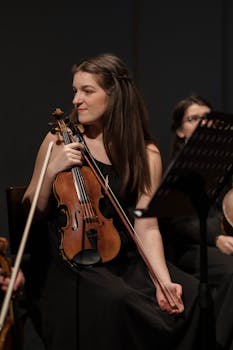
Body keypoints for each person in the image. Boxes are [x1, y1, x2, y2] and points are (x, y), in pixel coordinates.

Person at [22, 54, 203, 350]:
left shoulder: (146, 153)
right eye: (75, 91)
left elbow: (147, 225)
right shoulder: (59, 139)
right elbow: (32, 208)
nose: (77, 99)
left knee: (193, 294)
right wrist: (53, 168)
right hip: (72, 257)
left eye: (87, 91)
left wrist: (161, 279)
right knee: (118, 301)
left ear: (114, 95)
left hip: (122, 254)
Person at [162, 94, 233, 349]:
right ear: (180, 131)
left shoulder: (227, 163)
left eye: (208, 118)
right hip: (191, 247)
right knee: (231, 272)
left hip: (225, 240)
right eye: (194, 119)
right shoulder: (177, 169)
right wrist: (216, 237)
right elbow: (179, 222)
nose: (204, 124)